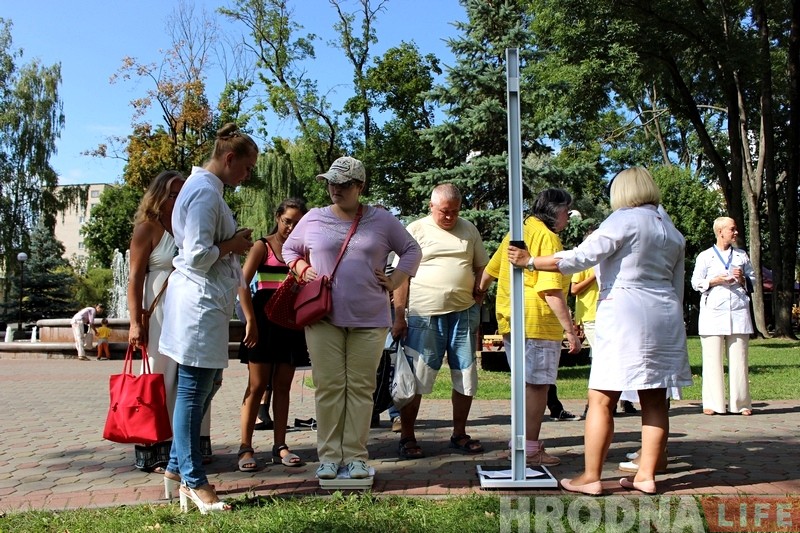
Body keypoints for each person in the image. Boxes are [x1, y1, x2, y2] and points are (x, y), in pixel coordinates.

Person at [520, 168, 692, 495]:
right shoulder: (670, 230)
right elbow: (678, 285)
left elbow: (579, 258)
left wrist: (531, 262)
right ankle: (646, 475)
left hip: (625, 310)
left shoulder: (623, 219)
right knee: (655, 398)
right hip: (666, 312)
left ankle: (591, 477)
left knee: (601, 398)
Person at [283, 156, 421, 480]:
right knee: (328, 387)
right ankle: (330, 457)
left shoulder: (381, 219)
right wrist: (301, 267)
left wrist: (395, 280)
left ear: (360, 186)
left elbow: (412, 250)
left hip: (370, 318)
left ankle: (356, 456)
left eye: (344, 184)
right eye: (331, 182)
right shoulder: (314, 218)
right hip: (322, 317)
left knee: (361, 388)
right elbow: (289, 249)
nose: (336, 189)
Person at [159, 123, 258, 513]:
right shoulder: (203, 191)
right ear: (229, 159)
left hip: (205, 302)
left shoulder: (206, 189)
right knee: (192, 390)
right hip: (198, 303)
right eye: (246, 168)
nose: (247, 176)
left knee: (206, 384)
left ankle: (175, 468)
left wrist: (231, 242)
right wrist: (234, 244)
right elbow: (198, 255)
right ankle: (194, 481)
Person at [477, 189, 582, 466]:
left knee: (524, 386)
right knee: (537, 387)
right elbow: (550, 291)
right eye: (566, 211)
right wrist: (570, 331)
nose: (567, 217)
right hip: (537, 323)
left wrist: (478, 295)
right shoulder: (547, 237)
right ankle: (530, 449)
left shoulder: (518, 231)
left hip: (512, 320)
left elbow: (490, 271)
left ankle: (519, 445)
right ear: (555, 211)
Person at [391, 183, 488, 459]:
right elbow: (401, 276)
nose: (449, 216)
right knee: (416, 378)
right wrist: (399, 315)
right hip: (424, 316)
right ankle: (407, 436)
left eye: (455, 211)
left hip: (463, 314)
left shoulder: (469, 229)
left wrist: (479, 293)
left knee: (466, 375)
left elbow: (482, 265)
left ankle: (459, 434)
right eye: (444, 211)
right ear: (431, 206)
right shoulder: (415, 230)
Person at [127, 170, 213, 473]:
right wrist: (135, 322)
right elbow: (134, 278)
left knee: (191, 377)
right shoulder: (147, 229)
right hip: (159, 314)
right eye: (172, 194)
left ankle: (189, 448)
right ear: (159, 195)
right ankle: (154, 448)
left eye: (181, 194)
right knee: (158, 376)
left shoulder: (189, 227)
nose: (177, 199)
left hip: (189, 311)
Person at [238, 198, 309, 471]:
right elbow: (241, 283)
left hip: (290, 322)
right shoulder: (262, 246)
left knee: (282, 386)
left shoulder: (303, 251)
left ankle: (280, 445)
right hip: (262, 322)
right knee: (257, 386)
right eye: (287, 221)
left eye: (297, 223)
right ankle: (245, 447)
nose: (290, 227)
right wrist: (249, 320)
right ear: (278, 217)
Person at [691, 216, 756, 416]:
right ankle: (713, 404)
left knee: (739, 360)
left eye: (735, 229)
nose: (736, 232)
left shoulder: (741, 255)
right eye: (732, 229)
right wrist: (714, 281)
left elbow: (753, 280)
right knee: (712, 359)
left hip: (738, 312)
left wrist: (743, 278)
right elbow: (695, 282)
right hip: (713, 313)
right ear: (720, 232)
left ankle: (741, 404)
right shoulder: (705, 256)